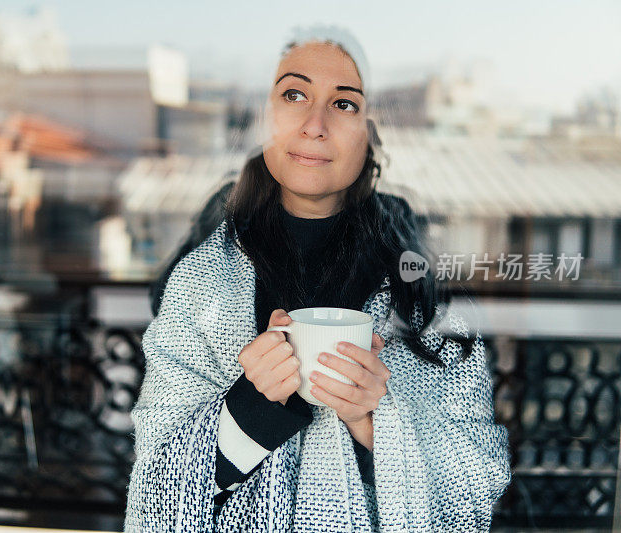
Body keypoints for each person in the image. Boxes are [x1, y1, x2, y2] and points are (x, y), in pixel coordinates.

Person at [124, 23, 511, 532]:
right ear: (263, 118)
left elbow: (477, 483)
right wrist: (249, 408)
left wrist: (374, 423)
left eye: (344, 103)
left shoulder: (424, 292)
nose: (314, 124)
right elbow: (153, 495)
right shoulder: (203, 283)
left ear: (369, 134)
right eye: (293, 94)